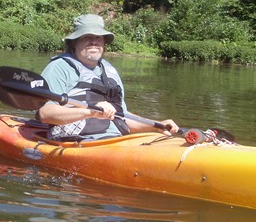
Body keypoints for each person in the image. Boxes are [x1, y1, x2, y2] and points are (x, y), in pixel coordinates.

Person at [36, 14, 179, 140]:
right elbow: (45, 113)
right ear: (74, 42)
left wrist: (157, 126)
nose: (94, 42)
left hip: (115, 140)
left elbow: (123, 117)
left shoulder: (110, 70)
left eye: (98, 37)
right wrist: (90, 112)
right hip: (77, 141)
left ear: (104, 43)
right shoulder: (59, 67)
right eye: (87, 37)